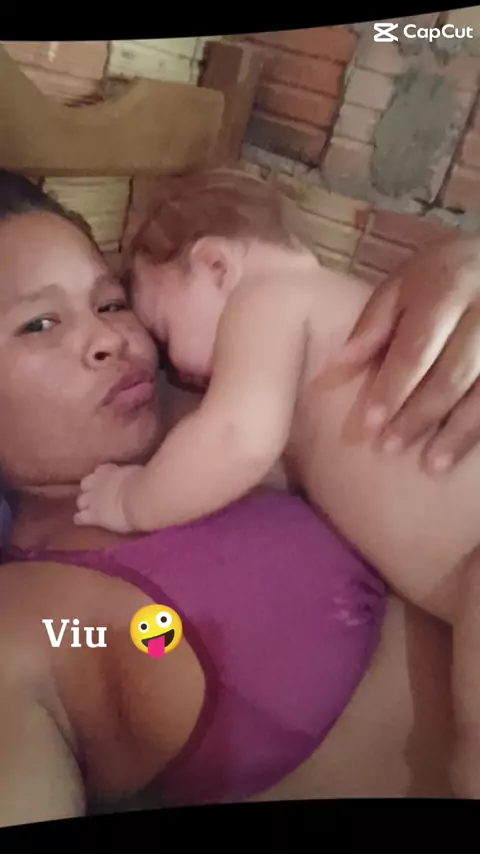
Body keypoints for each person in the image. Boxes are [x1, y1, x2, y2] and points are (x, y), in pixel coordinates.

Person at [0, 170, 474, 828]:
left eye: (110, 304)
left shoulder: (227, 396)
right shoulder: (26, 629)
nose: (113, 339)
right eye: (39, 323)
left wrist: (454, 272)